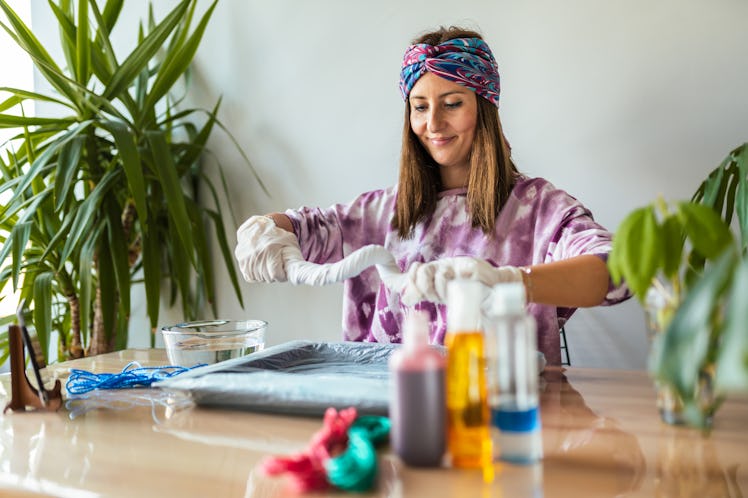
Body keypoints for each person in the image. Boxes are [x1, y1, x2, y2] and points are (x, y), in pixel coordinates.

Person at [234, 26, 630, 366]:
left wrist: (507, 281)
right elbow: (304, 227)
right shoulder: (381, 213)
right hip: (386, 420)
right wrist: (266, 229)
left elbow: (616, 272)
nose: (433, 124)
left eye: (452, 104)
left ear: (485, 108)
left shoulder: (538, 211)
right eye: (419, 107)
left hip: (501, 419)